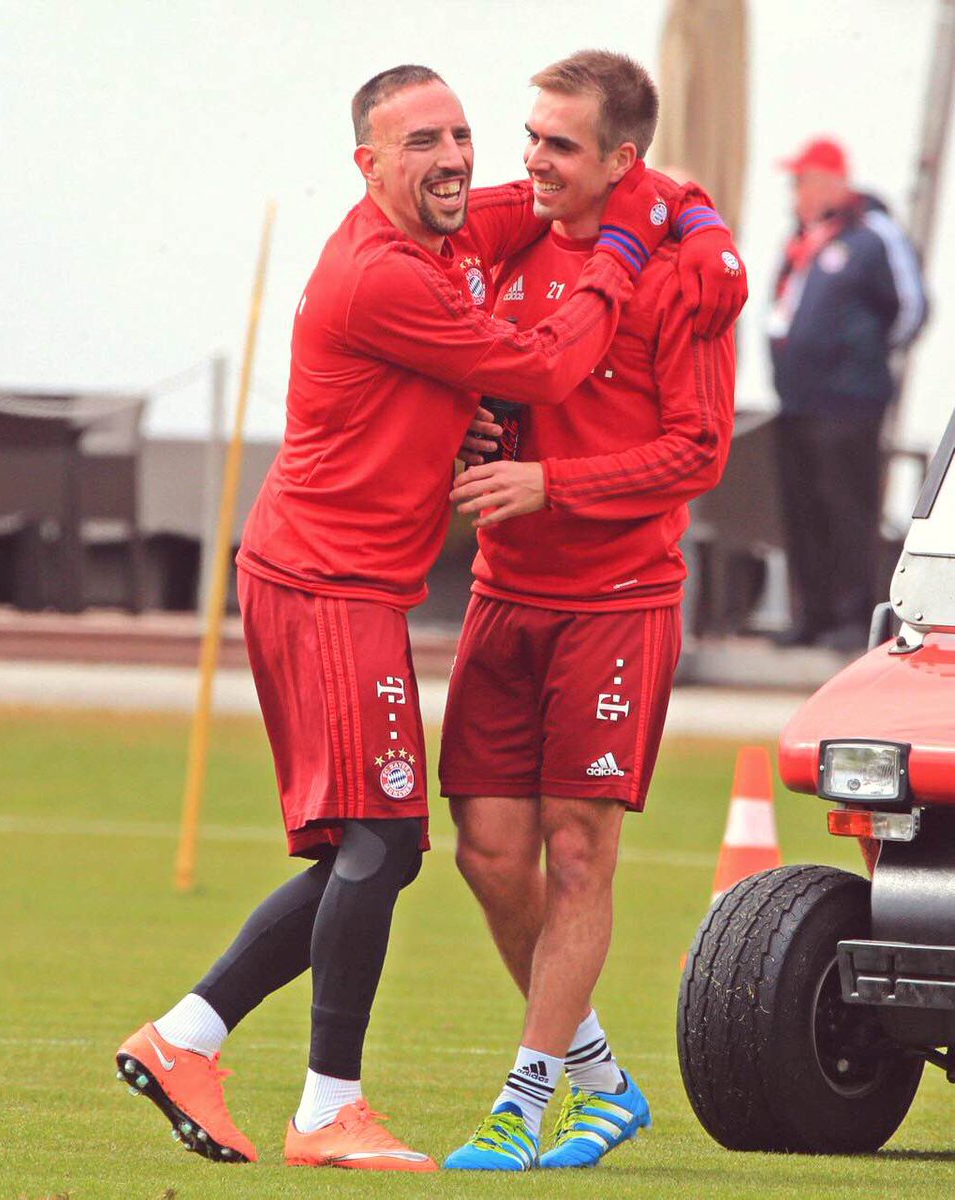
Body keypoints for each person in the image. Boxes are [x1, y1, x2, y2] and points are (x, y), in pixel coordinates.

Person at [115, 63, 746, 1173]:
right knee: (394, 844)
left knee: (397, 848)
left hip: (450, 590)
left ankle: (200, 1041)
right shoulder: (386, 273)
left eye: (467, 135)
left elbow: (623, 215)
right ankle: (311, 1101)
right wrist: (630, 246)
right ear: (367, 166)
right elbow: (545, 364)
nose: (469, 159)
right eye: (424, 143)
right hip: (331, 581)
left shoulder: (472, 227)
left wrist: (693, 222)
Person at [438, 50, 739, 1171]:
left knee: (575, 853)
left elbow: (698, 451)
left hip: (617, 602)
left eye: (558, 144)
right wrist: (474, 430)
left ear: (620, 159)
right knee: (485, 853)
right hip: (503, 593)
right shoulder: (510, 241)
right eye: (530, 136)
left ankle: (522, 1104)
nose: (532, 159)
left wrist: (551, 484)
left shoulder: (680, 274)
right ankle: (603, 1082)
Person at [768, 136, 928, 651]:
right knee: (804, 511)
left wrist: (861, 360)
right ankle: (810, 615)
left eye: (803, 181)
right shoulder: (804, 240)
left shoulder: (872, 234)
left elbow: (911, 306)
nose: (796, 192)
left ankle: (852, 616)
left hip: (849, 404)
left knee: (847, 507)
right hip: (797, 401)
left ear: (830, 182)